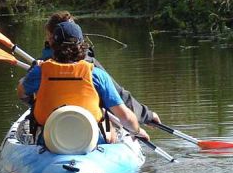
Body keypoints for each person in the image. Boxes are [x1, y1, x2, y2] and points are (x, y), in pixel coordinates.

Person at [17, 20, 149, 143]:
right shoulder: (96, 75)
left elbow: (22, 93)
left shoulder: (39, 72)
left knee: (34, 124)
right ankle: (109, 141)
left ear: (52, 45)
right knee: (106, 119)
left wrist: (32, 85)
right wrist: (137, 131)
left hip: (50, 139)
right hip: (91, 139)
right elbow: (125, 117)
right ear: (82, 46)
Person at [38, 11, 160, 125]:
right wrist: (146, 116)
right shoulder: (91, 67)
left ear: (55, 38)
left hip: (51, 125)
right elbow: (118, 94)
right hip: (86, 124)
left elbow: (25, 93)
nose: (47, 40)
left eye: (48, 36)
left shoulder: (42, 66)